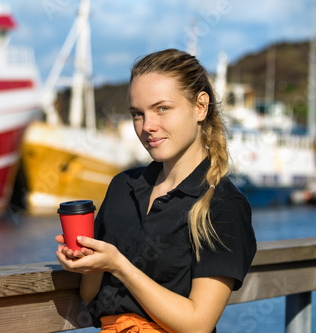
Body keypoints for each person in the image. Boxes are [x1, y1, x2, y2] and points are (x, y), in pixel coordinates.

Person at [55, 49, 257, 333]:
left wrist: (120, 266)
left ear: (200, 106)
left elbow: (198, 324)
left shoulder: (223, 206)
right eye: (138, 114)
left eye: (162, 108)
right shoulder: (122, 188)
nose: (147, 126)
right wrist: (87, 261)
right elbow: (90, 297)